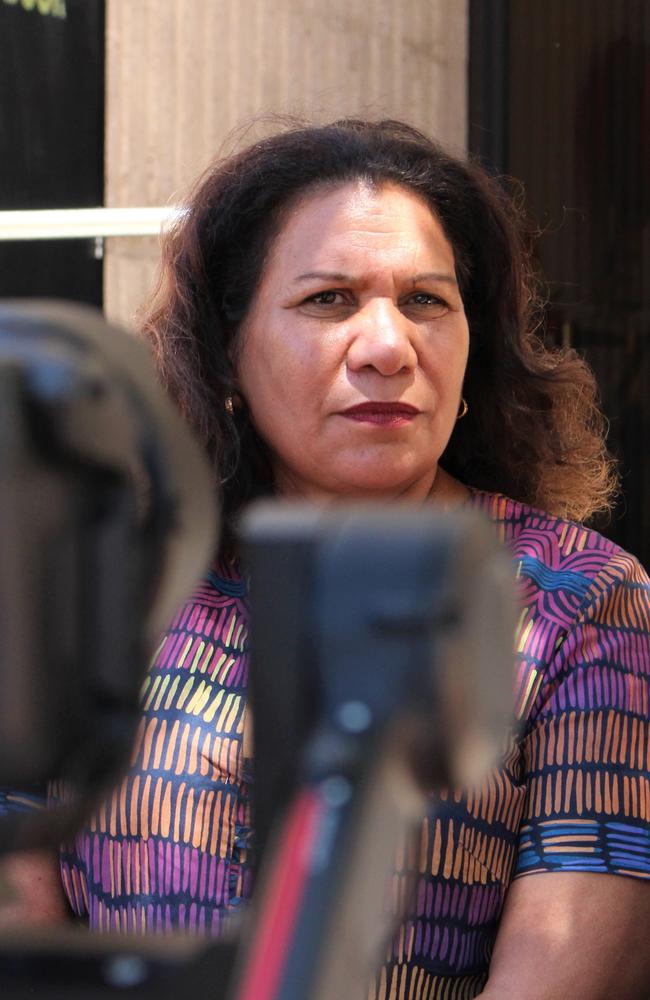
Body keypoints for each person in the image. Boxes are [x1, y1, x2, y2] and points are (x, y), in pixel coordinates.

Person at [5, 119, 650, 999]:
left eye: (427, 300)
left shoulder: (581, 602)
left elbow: (571, 962)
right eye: (329, 300)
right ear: (227, 350)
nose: (388, 347)